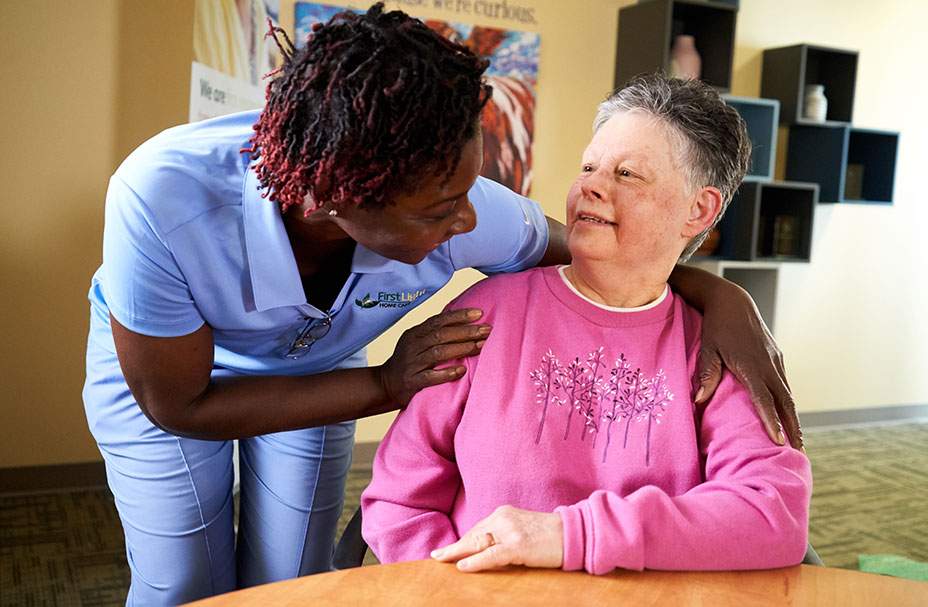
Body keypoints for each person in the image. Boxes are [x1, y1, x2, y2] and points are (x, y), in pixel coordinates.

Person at [83, 4, 800, 604]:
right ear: (335, 203)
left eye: (468, 196)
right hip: (174, 382)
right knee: (184, 578)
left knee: (292, 576)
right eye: (439, 213)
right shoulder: (160, 199)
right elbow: (184, 405)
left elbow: (607, 255)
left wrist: (721, 294)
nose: (469, 225)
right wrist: (386, 385)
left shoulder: (466, 210)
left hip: (317, 365)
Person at [361, 74, 812, 574]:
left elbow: (771, 514)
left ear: (698, 209)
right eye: (589, 167)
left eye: (627, 174)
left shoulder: (716, 348)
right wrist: (460, 590)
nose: (591, 186)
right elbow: (399, 502)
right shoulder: (486, 313)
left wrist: (570, 535)